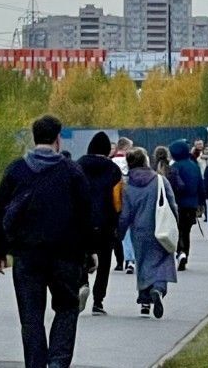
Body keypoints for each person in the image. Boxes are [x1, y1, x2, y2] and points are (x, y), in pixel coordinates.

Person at [0, 115, 94, 368]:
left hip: (27, 255)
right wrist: (89, 251)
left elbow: (1, 210)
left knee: (31, 316)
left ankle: (36, 364)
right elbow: (86, 215)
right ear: (58, 139)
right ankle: (59, 361)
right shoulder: (72, 172)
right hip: (66, 254)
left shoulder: (16, 170)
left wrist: (0, 249)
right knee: (67, 307)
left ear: (34, 137)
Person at [117, 147, 177, 319]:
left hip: (139, 231)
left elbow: (125, 215)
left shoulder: (128, 186)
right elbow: (172, 204)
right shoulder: (159, 180)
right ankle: (158, 289)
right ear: (145, 161)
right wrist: (175, 225)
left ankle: (144, 301)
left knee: (143, 264)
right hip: (160, 227)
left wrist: (119, 233)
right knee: (163, 261)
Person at [77, 131, 122, 316]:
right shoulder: (113, 170)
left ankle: (82, 283)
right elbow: (117, 200)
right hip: (106, 221)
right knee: (104, 261)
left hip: (82, 221)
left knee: (81, 254)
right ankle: (98, 301)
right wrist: (117, 219)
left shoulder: (78, 165)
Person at [167, 141, 201, 271]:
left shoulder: (175, 166)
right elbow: (200, 185)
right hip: (191, 203)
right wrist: (201, 202)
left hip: (177, 203)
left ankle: (179, 251)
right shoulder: (194, 166)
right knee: (186, 231)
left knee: (178, 229)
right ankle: (185, 252)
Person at [110, 136, 135, 275]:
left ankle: (126, 259)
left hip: (116, 201)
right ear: (125, 148)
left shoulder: (112, 162)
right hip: (131, 197)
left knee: (122, 231)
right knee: (132, 229)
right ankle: (132, 258)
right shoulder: (131, 161)